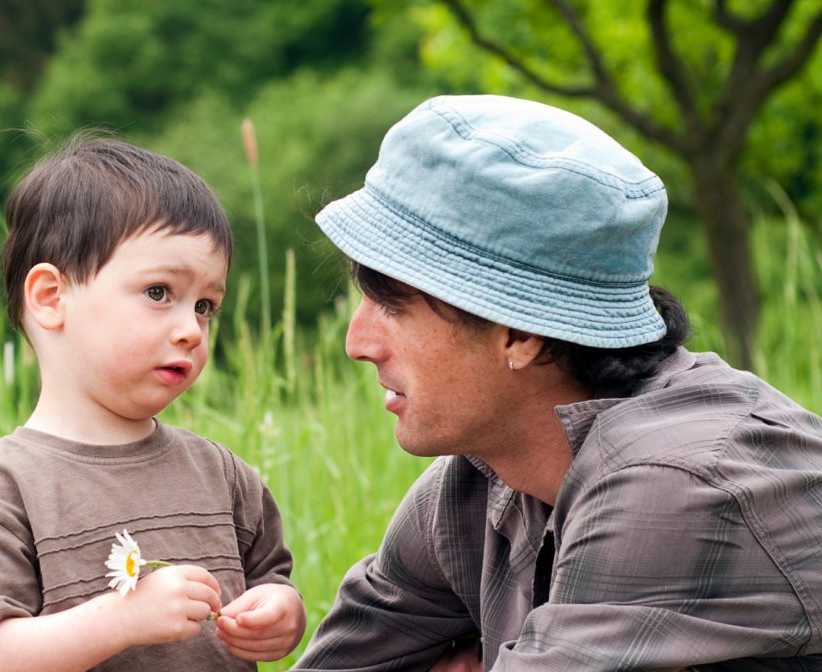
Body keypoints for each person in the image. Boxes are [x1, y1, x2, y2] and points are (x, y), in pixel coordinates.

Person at [292, 95, 822, 671]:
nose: (357, 343)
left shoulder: (676, 483)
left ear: (520, 333)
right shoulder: (477, 481)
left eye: (393, 306)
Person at [0, 137, 305, 671]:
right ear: (50, 297)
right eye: (159, 292)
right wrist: (121, 619)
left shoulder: (223, 475)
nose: (190, 330)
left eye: (205, 306)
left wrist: (280, 613)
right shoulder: (1, 492)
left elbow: (271, 578)